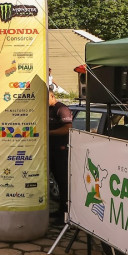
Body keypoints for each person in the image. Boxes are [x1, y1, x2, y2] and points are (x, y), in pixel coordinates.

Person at [48, 87, 72, 223]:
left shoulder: (61, 109)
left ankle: (65, 213)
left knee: (62, 181)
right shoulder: (48, 109)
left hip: (61, 150)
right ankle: (58, 210)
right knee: (53, 180)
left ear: (52, 96)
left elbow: (67, 128)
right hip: (50, 150)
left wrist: (49, 133)